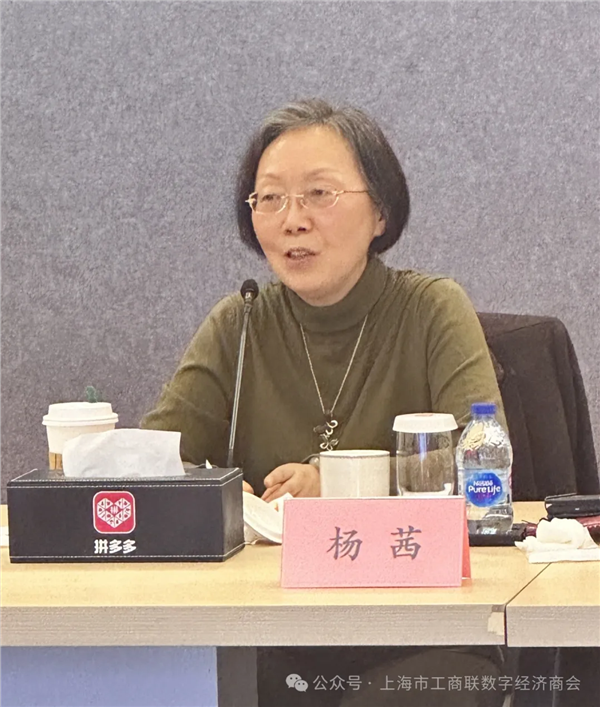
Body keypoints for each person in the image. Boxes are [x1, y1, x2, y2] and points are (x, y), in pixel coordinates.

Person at [141, 98, 507, 706]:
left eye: (319, 194)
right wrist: (220, 496)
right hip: (269, 633)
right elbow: (153, 470)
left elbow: (481, 467)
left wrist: (338, 487)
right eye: (271, 198)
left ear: (381, 211)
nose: (293, 220)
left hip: (421, 629)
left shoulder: (432, 310)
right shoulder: (241, 323)